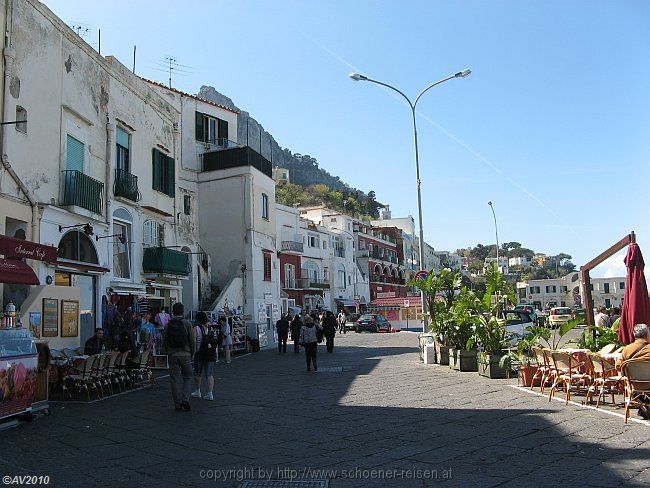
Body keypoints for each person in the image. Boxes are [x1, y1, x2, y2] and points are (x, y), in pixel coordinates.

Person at [164, 302, 196, 411]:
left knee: (175, 378)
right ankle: (185, 399)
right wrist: (192, 352)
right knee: (188, 376)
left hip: (172, 354)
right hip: (185, 353)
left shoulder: (168, 325)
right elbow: (192, 340)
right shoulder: (187, 323)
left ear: (173, 311)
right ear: (182, 311)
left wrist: (167, 351)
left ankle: (177, 404)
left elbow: (165, 340)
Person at [618, 324, 650, 419]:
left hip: (634, 384)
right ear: (647, 335)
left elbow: (618, 366)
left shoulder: (626, 349)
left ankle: (643, 407)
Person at [191, 312, 216, 401]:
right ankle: (210, 393)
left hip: (199, 353)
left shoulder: (196, 328)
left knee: (198, 373)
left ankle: (198, 391)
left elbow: (193, 341)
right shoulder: (210, 328)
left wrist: (193, 353)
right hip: (210, 353)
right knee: (209, 374)